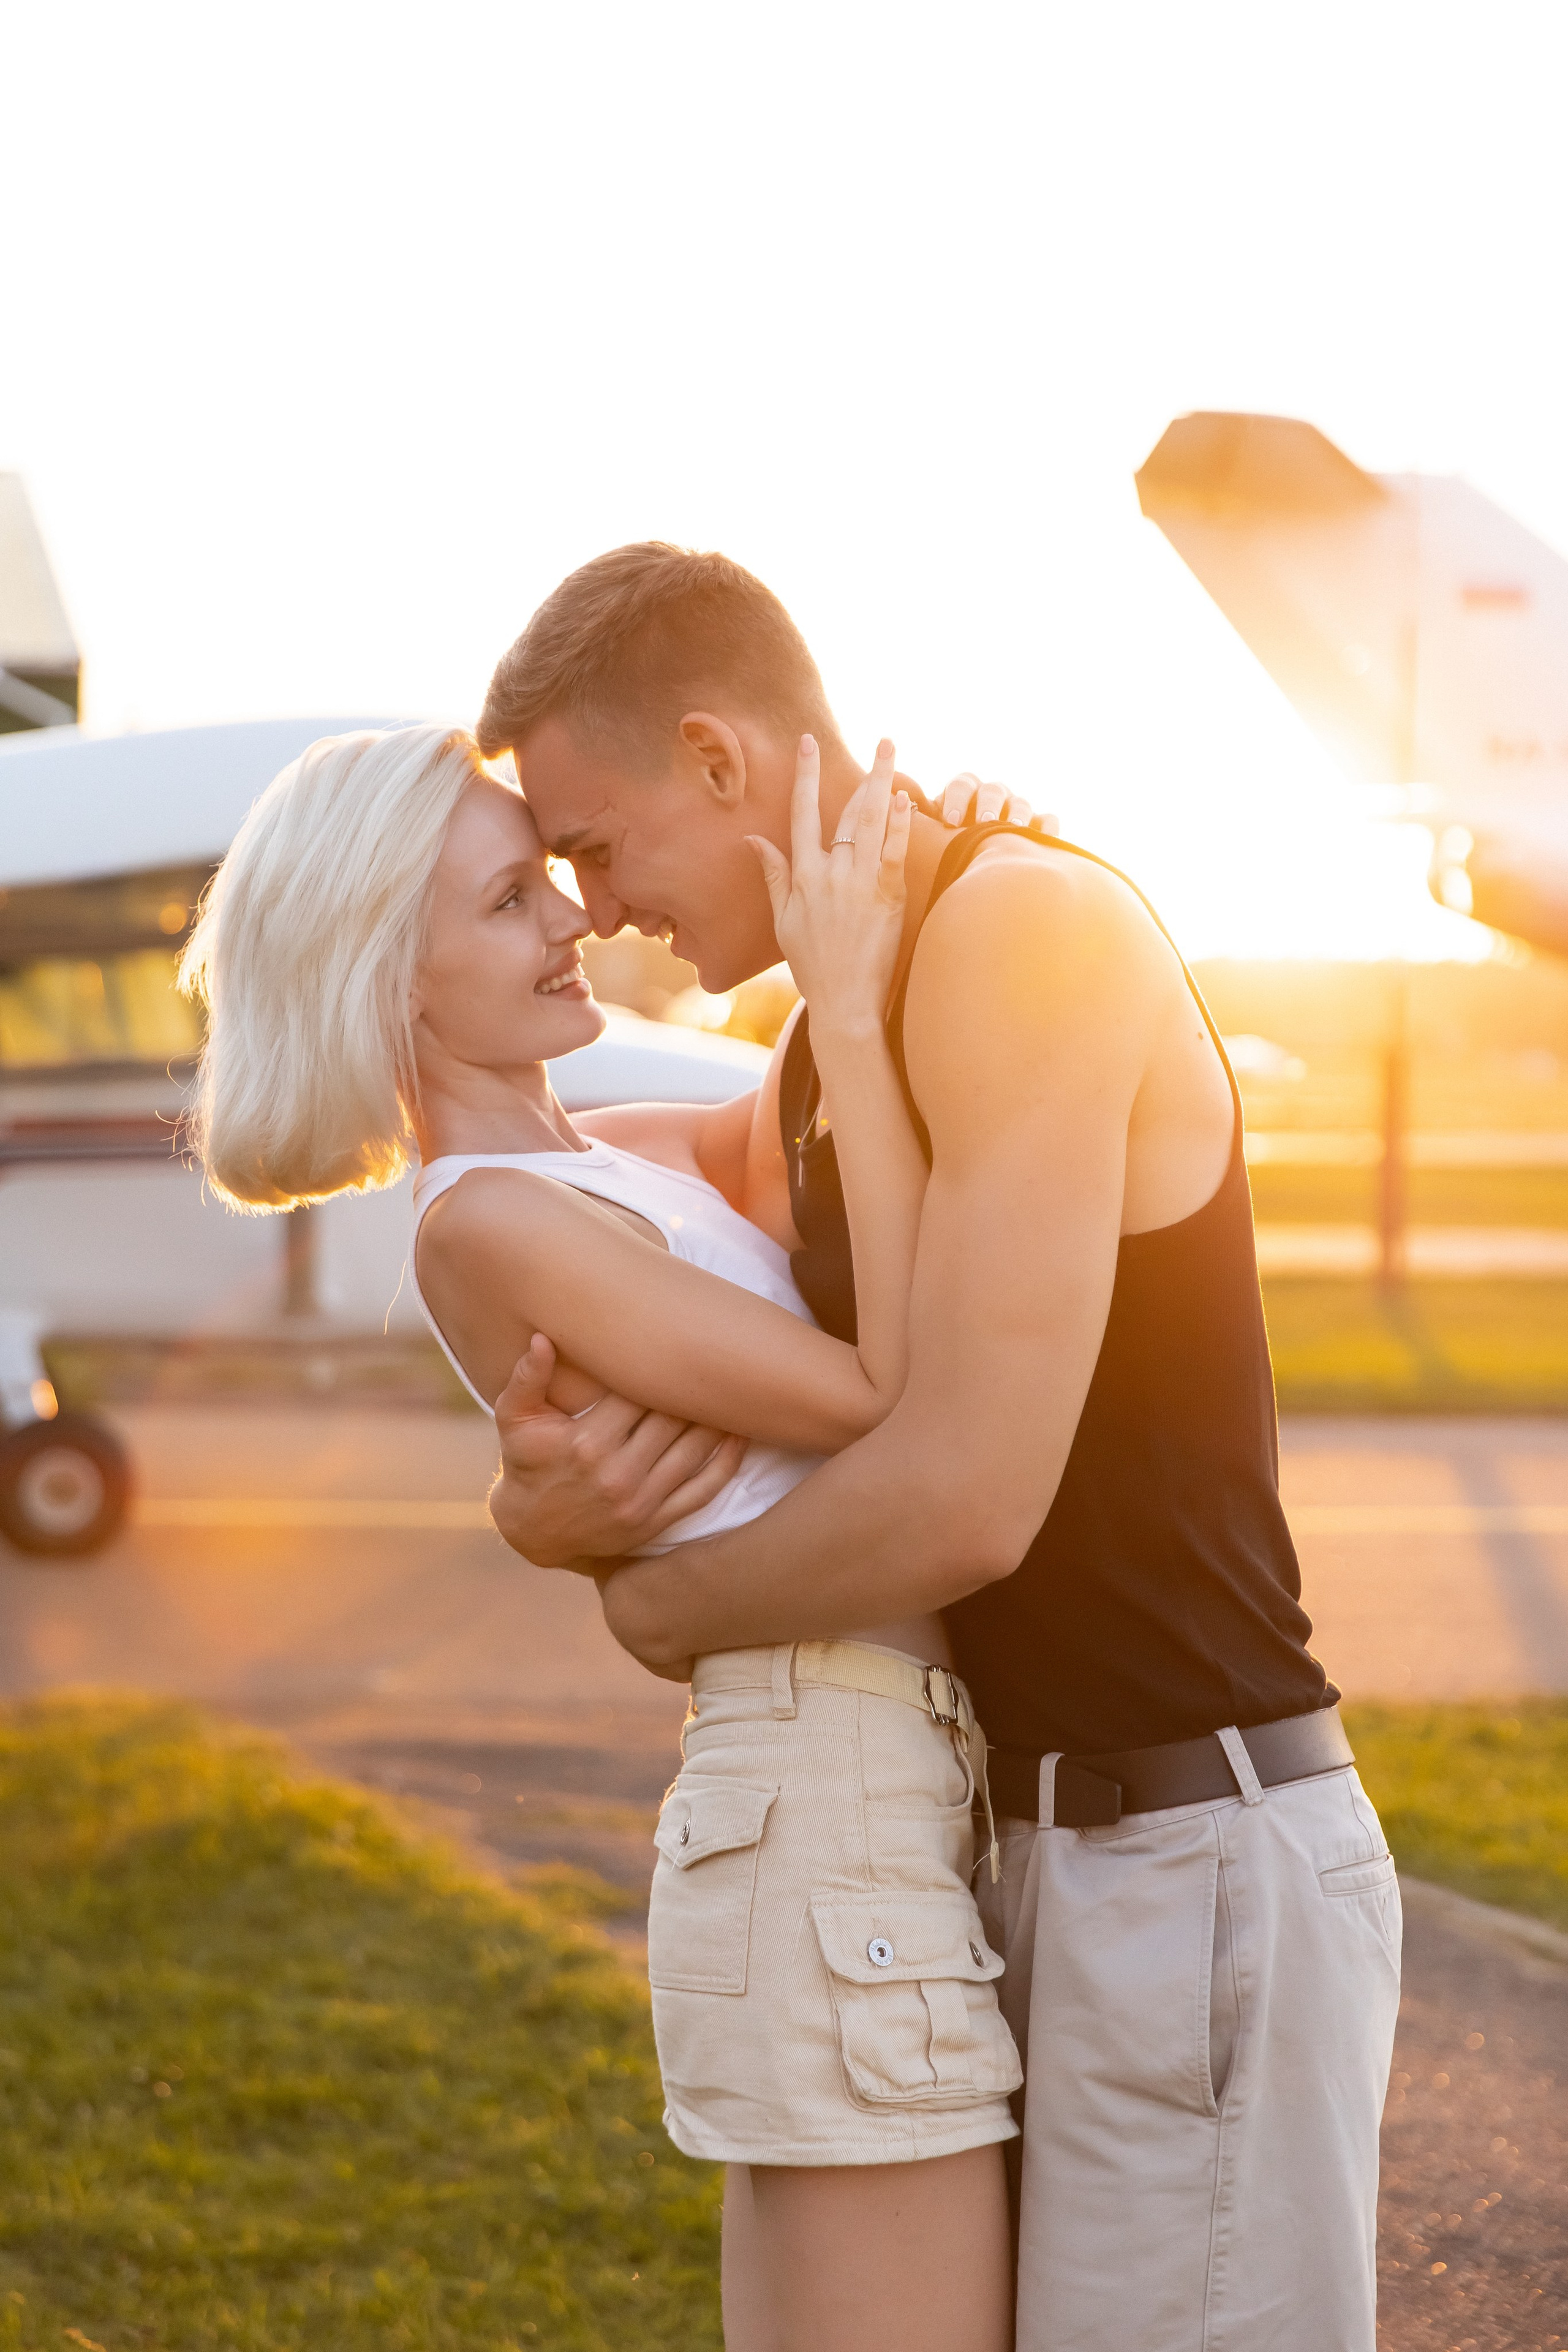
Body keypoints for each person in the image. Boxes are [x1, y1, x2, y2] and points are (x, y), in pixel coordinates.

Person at [478, 543, 1404, 2352]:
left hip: (1185, 1853)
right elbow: (554, 1173)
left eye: (596, 845)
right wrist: (541, 1503)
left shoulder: (1016, 932)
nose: (594, 906)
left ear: (720, 761)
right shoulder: (833, 1018)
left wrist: (660, 1613)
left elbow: (969, 1493)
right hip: (1025, 1856)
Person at [177, 719, 1028, 2352]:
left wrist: (940, 867)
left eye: (556, 879)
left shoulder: (613, 1159)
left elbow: (820, 1126)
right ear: (392, 981)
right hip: (825, 1787)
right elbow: (879, 1384)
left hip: (857, 1786)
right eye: (509, 901)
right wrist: (843, 1002)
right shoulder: (492, 1217)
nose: (576, 918)